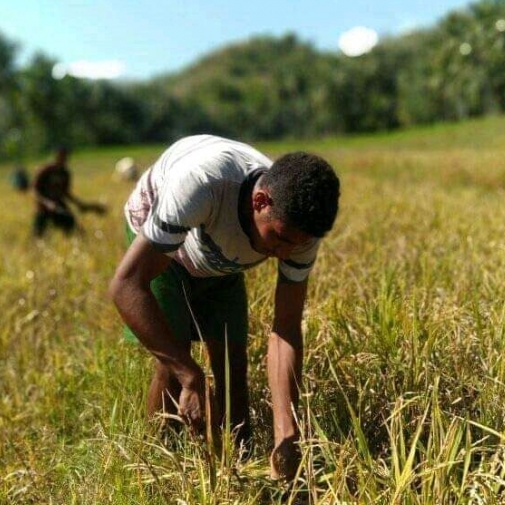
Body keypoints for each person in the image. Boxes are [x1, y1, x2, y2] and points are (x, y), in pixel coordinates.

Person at [109, 135, 340, 480]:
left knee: (233, 366)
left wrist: (285, 434)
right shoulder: (202, 185)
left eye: (296, 245)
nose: (284, 255)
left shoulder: (299, 229)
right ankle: (157, 472)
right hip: (165, 250)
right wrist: (191, 376)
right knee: (173, 369)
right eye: (278, 239)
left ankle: (239, 470)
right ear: (260, 202)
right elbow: (125, 285)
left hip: (220, 256)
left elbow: (286, 328)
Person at [33, 147, 106, 237]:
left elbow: (65, 193)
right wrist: (47, 203)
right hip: (43, 209)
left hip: (58, 207)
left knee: (76, 232)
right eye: (60, 156)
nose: (63, 159)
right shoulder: (45, 170)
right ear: (55, 156)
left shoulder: (65, 173)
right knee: (38, 237)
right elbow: (35, 191)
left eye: (65, 157)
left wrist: (80, 204)